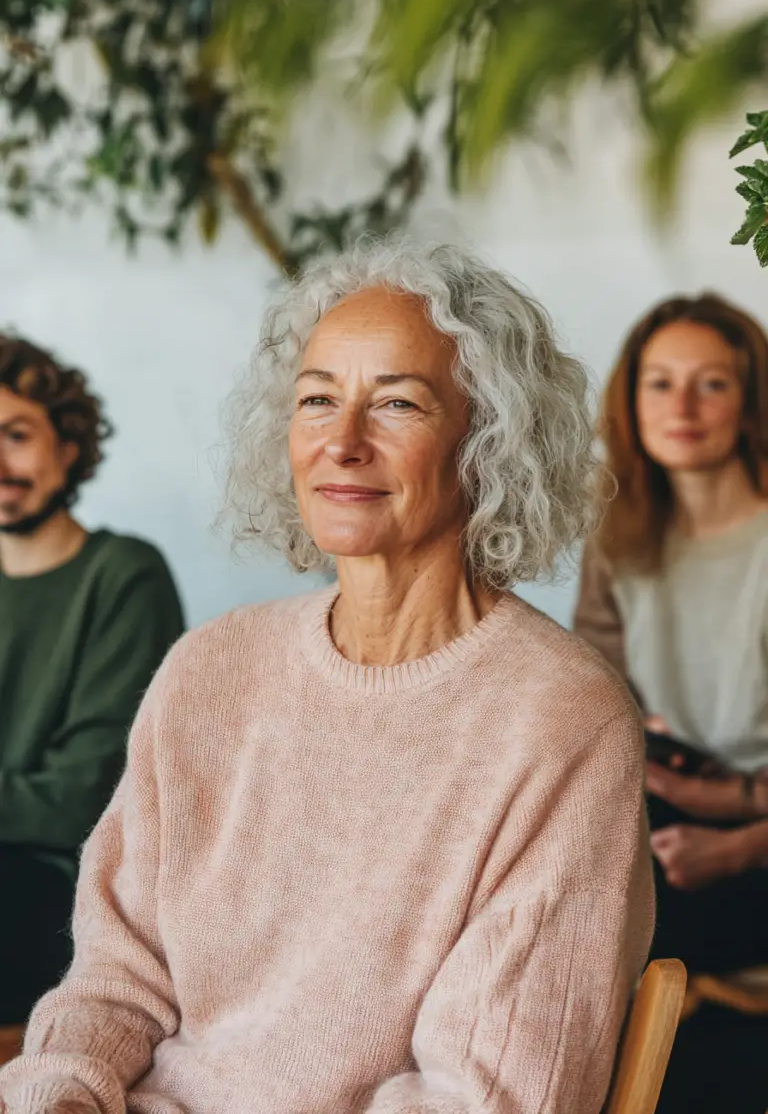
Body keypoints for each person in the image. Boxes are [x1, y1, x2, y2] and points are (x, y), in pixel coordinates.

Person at [0, 240, 653, 1114]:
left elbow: (482, 1095)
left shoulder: (562, 720)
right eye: (317, 401)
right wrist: (60, 1098)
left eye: (397, 403)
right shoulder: (211, 669)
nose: (342, 443)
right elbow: (114, 984)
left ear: (489, 440)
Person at [574, 292, 768, 1113]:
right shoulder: (618, 535)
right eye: (660, 383)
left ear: (750, 400)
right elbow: (590, 700)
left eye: (711, 384)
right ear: (630, 398)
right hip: (664, 804)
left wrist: (740, 844)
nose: (681, 407)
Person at [0, 333, 185, 1026]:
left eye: (15, 435)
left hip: (63, 892)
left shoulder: (123, 576)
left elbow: (86, 797)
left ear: (68, 446)